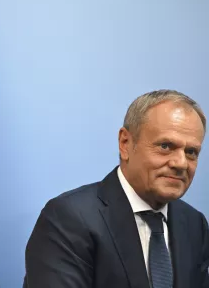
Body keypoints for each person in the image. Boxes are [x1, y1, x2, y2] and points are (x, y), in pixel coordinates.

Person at [23, 90, 209, 288]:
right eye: (165, 146)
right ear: (125, 143)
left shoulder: (193, 224)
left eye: (191, 152)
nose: (181, 163)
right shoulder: (69, 219)